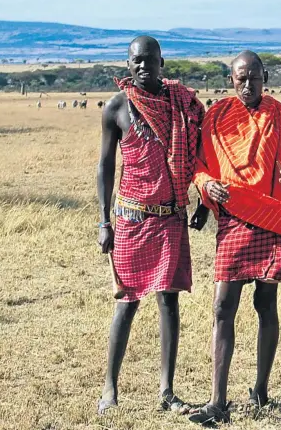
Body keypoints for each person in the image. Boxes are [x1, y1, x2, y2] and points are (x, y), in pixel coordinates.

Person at [188, 51, 281, 425]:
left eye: (254, 78)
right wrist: (207, 184)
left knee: (266, 304)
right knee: (222, 307)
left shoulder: (280, 114)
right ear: (231, 80)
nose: (247, 86)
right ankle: (218, 402)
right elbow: (199, 165)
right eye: (240, 79)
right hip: (234, 220)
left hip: (272, 219)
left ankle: (261, 390)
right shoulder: (216, 116)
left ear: (265, 76)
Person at [96, 35, 205, 414]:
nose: (143, 67)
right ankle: (109, 389)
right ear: (128, 65)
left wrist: (203, 200)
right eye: (136, 61)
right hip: (129, 219)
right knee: (126, 304)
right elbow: (105, 167)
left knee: (169, 301)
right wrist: (102, 221)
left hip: (170, 217)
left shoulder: (183, 104)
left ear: (162, 61)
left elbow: (204, 153)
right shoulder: (117, 108)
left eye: (150, 60)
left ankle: (167, 391)